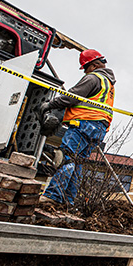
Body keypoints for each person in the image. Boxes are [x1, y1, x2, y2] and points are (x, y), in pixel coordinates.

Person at [40, 49, 116, 205]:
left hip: (84, 124)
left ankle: (52, 196)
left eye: (85, 68)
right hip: (98, 128)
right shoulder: (108, 84)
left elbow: (72, 97)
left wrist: (50, 105)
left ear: (94, 65)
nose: (85, 73)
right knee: (77, 163)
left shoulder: (94, 78)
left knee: (66, 158)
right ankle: (68, 200)